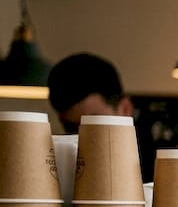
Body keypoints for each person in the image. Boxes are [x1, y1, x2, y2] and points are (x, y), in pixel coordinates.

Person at [46, 52, 156, 181]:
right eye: (71, 127)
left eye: (94, 124)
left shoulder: (159, 169)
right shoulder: (59, 168)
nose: (82, 138)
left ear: (125, 109)